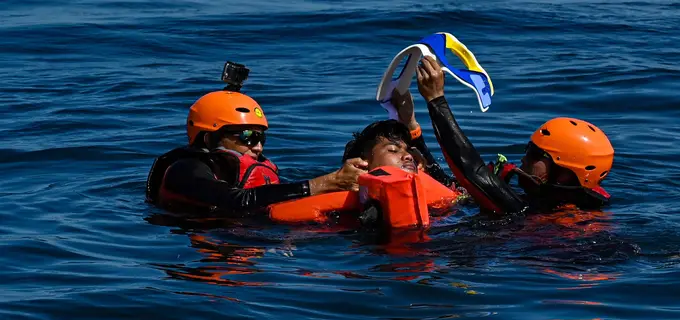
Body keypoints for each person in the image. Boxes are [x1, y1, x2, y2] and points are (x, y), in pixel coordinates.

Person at [413, 56, 614, 215]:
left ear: (564, 174)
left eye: (536, 154)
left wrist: (436, 100)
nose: (524, 158)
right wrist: (412, 129)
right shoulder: (533, 201)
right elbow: (455, 185)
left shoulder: (528, 212)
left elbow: (472, 171)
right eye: (529, 149)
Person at [146, 83, 365, 214]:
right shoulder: (184, 170)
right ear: (208, 139)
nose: (258, 146)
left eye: (261, 137)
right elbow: (237, 201)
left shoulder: (247, 167)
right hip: (211, 246)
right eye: (247, 137)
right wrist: (327, 182)